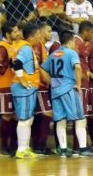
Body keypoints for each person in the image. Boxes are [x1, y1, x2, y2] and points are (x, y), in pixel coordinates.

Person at [41, 30, 93, 157]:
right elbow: (77, 67)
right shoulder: (71, 53)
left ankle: (63, 150)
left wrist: (51, 82)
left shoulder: (54, 54)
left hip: (55, 91)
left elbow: (43, 69)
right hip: (68, 90)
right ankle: (82, 148)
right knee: (80, 119)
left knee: (60, 121)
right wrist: (78, 84)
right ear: (71, 40)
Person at [11, 24, 41, 159]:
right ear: (32, 36)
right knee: (25, 119)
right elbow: (16, 63)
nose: (40, 37)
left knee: (28, 119)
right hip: (24, 88)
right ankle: (21, 149)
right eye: (38, 34)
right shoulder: (26, 47)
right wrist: (22, 80)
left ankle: (26, 148)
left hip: (26, 88)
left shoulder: (23, 46)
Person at [0, 22, 21, 157]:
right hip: (4, 86)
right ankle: (4, 147)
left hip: (14, 85)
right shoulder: (2, 48)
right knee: (6, 115)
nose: (17, 33)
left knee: (15, 115)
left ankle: (14, 146)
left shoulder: (13, 45)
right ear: (8, 34)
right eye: (14, 32)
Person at [31, 23, 53, 155]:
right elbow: (37, 66)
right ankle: (41, 145)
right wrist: (48, 80)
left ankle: (38, 144)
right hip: (40, 86)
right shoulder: (38, 45)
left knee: (39, 116)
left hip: (41, 86)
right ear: (41, 32)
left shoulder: (44, 47)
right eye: (49, 31)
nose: (51, 33)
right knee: (47, 113)